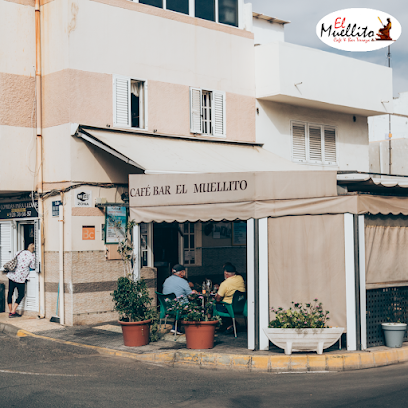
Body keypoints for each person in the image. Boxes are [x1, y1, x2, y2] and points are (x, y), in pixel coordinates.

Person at [162, 264, 196, 334]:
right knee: (194, 304)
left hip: (167, 306)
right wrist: (194, 292)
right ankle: (193, 329)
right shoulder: (183, 281)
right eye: (184, 271)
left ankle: (176, 327)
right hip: (179, 307)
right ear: (181, 272)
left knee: (180, 302)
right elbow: (191, 296)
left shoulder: (166, 280)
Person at [215, 263, 246, 334]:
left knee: (213, 306)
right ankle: (231, 324)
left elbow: (218, 299)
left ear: (226, 273)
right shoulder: (240, 278)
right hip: (240, 305)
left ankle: (227, 325)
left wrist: (216, 295)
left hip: (229, 306)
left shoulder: (225, 283)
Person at [7, 243, 36, 318]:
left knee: (10, 293)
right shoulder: (32, 256)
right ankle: (13, 311)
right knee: (21, 294)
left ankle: (10, 311)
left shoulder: (19, 252)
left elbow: (14, 261)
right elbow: (33, 266)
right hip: (20, 277)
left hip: (12, 275)